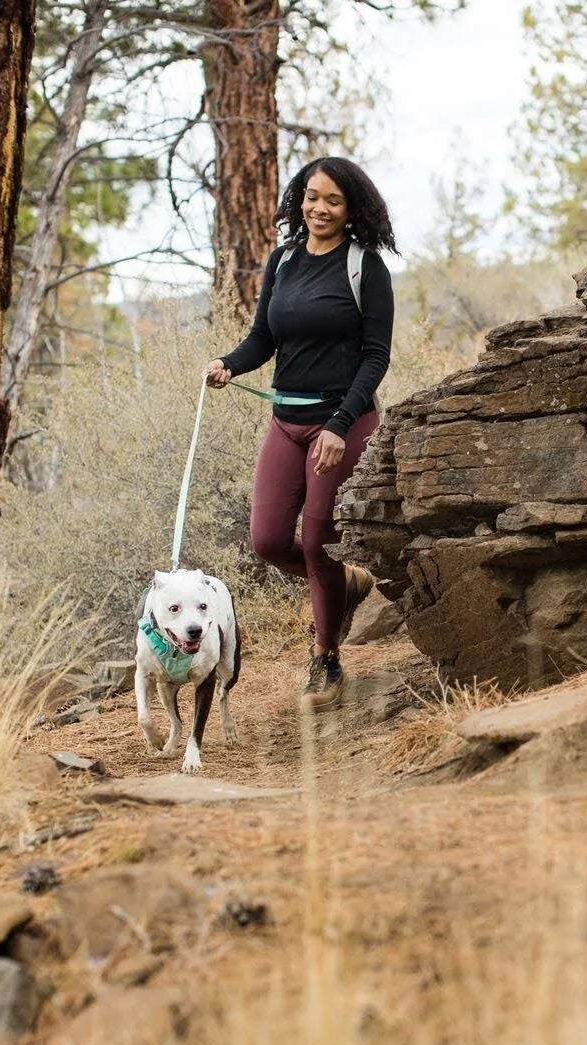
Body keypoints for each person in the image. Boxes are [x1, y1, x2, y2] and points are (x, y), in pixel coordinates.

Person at [205, 156, 395, 710]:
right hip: (285, 422)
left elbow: (376, 356)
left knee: (316, 544)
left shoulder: (366, 268)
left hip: (344, 422)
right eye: (312, 197)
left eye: (333, 201)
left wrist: (339, 425)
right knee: (267, 540)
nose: (320, 209)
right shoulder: (284, 260)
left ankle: (327, 658)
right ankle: (346, 583)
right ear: (300, 198)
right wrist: (229, 365)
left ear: (351, 209)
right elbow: (263, 336)